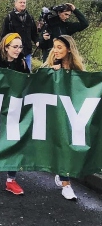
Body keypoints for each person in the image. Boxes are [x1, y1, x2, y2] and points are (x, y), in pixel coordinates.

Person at [40, 35, 86, 200]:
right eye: (54, 47)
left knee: (69, 145)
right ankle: (66, 184)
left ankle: (62, 175)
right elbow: (39, 82)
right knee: (61, 144)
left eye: (60, 47)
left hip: (72, 113)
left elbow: (85, 88)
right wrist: (51, 73)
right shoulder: (50, 66)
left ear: (69, 49)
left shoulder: (78, 70)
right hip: (54, 113)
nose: (56, 50)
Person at [0, 33, 27, 196]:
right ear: (6, 47)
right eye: (15, 47)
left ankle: (11, 180)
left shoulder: (22, 63)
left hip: (15, 108)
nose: (18, 50)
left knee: (14, 141)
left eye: (20, 47)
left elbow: (29, 82)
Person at [0, 0, 38, 70]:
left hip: (27, 52)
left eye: (24, 2)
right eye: (20, 2)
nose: (23, 4)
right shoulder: (9, 18)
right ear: (15, 4)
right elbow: (4, 36)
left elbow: (34, 33)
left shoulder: (30, 17)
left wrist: (37, 41)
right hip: (13, 53)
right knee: (14, 74)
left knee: (27, 75)